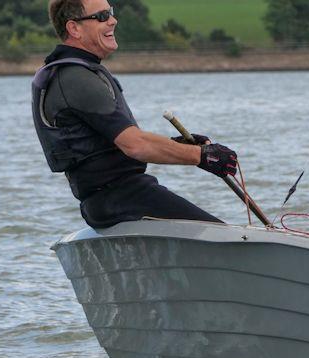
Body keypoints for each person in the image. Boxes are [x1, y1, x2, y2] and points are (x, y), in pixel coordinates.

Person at [32, 0, 237, 228]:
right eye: (101, 16)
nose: (113, 20)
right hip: (123, 198)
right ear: (74, 29)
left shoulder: (73, 72)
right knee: (218, 234)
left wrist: (186, 147)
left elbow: (116, 144)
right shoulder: (76, 78)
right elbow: (136, 145)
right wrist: (202, 156)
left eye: (110, 12)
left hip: (111, 201)